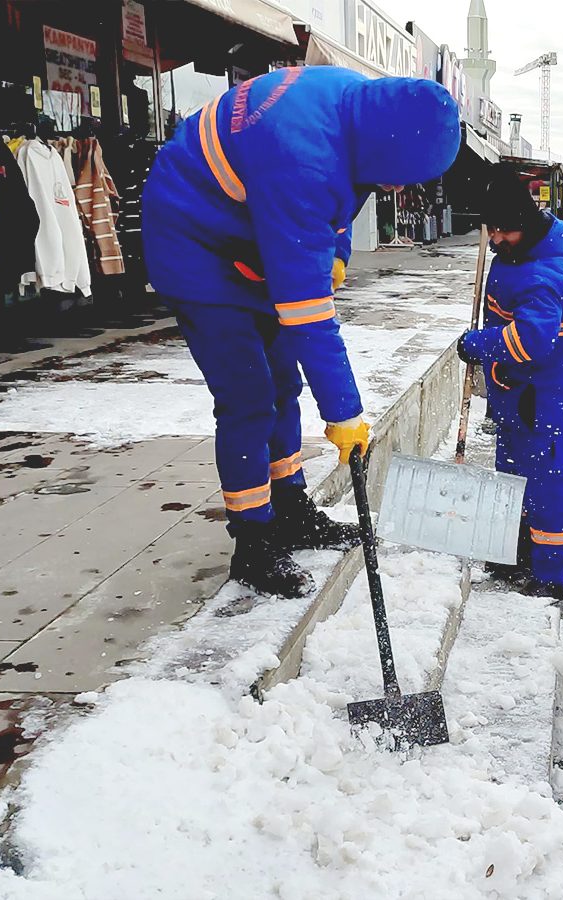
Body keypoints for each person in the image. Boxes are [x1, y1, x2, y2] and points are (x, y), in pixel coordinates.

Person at [142, 66, 459, 598]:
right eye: (401, 173)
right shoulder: (300, 152)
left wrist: (333, 255)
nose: (400, 186)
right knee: (249, 396)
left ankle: (289, 507)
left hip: (251, 237)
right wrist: (346, 417)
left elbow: (340, 201)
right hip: (194, 244)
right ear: (388, 146)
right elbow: (308, 316)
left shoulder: (353, 110)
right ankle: (255, 539)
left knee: (283, 382)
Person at [456, 167, 563, 601]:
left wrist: (478, 344)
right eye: (491, 230)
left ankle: (549, 572)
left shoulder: (542, 276)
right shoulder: (521, 253)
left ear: (525, 226)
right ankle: (514, 549)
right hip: (519, 393)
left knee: (546, 480)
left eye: (502, 231)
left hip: (543, 398)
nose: (494, 239)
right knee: (512, 474)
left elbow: (529, 341)